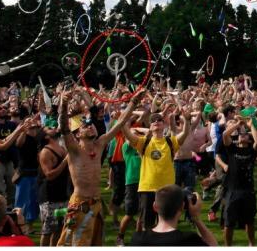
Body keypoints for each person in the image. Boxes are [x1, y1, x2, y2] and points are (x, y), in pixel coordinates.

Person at [57, 88, 139, 246]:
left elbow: (121, 122)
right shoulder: (74, 149)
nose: (90, 126)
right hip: (80, 204)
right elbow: (64, 128)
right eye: (85, 125)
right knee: (74, 243)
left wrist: (134, 102)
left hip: (96, 203)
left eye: (91, 124)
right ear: (78, 134)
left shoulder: (100, 143)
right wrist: (64, 103)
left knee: (96, 243)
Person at [122, 104, 190, 230]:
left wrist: (185, 119)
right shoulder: (144, 142)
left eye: (159, 120)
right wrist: (127, 116)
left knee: (166, 224)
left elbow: (185, 133)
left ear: (164, 125)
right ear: (150, 127)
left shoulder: (170, 142)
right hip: (148, 188)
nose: (156, 122)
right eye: (153, 121)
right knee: (146, 224)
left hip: (167, 189)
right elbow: (126, 132)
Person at [129, 184, 218, 246]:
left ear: (154, 206)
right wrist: (196, 218)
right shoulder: (189, 240)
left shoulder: (137, 240)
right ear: (182, 207)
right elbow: (213, 246)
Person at [221, 115, 257, 245]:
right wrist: (238, 124)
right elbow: (225, 135)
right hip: (233, 191)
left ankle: (251, 244)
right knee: (229, 223)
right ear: (237, 139)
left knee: (249, 221)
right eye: (240, 135)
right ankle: (228, 246)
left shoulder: (251, 151)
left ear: (249, 140)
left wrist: (251, 126)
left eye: (245, 135)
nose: (242, 135)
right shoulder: (232, 149)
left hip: (248, 191)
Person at [36, 120, 69, 246]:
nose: (53, 127)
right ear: (46, 136)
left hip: (62, 193)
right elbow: (49, 175)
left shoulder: (60, 147)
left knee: (59, 228)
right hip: (49, 196)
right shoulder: (45, 152)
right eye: (49, 127)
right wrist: (65, 161)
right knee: (48, 230)